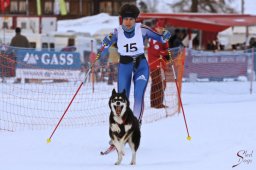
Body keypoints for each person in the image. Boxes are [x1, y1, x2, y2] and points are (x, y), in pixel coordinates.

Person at [101, 4, 171, 124]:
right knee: (122, 98)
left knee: (138, 95)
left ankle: (136, 124)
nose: (128, 22)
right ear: (122, 19)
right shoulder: (117, 32)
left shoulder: (142, 29)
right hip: (125, 66)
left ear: (135, 19)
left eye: (131, 19)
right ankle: (121, 128)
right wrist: (105, 42)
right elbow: (104, 46)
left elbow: (160, 38)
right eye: (125, 19)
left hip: (141, 66)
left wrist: (165, 36)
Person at [147, 22, 169, 108]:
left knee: (158, 83)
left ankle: (155, 103)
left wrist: (166, 47)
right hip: (155, 64)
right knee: (159, 83)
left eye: (162, 28)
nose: (161, 30)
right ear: (156, 28)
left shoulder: (160, 37)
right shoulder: (154, 37)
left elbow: (166, 49)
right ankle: (157, 103)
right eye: (159, 28)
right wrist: (165, 52)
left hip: (159, 63)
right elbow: (156, 51)